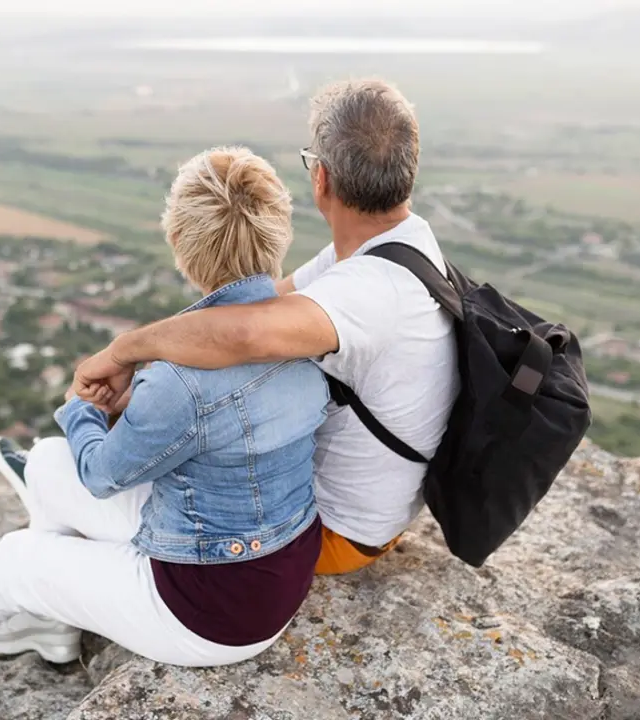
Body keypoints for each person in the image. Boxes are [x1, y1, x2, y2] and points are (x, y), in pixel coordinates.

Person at [0, 146, 327, 668]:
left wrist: (84, 408)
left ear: (180, 245)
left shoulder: (179, 381)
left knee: (18, 562)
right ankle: (46, 622)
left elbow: (101, 475)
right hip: (273, 570)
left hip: (208, 609)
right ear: (279, 234)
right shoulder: (304, 333)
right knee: (50, 462)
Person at [74, 79, 459, 576]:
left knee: (75, 475)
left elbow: (246, 333)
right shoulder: (398, 246)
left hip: (329, 533)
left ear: (320, 178)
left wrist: (125, 351)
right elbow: (258, 302)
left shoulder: (370, 290)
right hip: (370, 515)